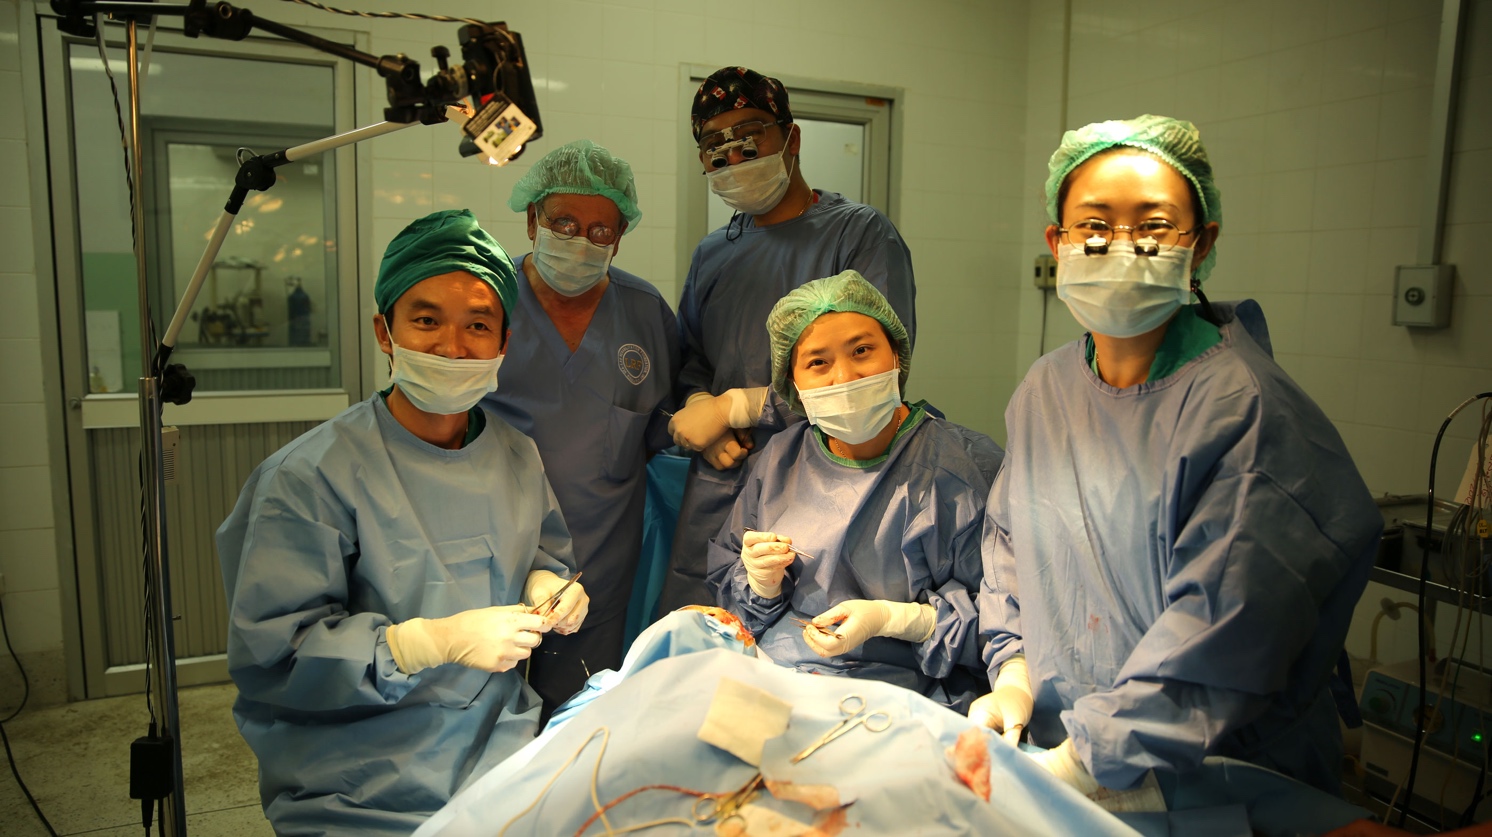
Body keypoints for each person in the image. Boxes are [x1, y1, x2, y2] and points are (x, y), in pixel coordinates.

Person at [974, 115, 1381, 797]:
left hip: (1212, 786)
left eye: (1154, 226)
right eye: (1096, 225)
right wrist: (1012, 669)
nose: (1122, 246)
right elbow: (1010, 545)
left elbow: (1226, 634)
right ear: (1058, 241)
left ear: (1201, 244)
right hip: (1063, 745)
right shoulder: (1046, 387)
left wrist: (1079, 764)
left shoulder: (1247, 410)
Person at [216, 209, 590, 836]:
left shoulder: (515, 454)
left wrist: (545, 586)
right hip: (358, 776)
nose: (451, 346)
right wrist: (425, 644)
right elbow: (274, 656)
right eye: (425, 320)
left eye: (478, 324)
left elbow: (540, 553)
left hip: (498, 745)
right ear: (383, 332)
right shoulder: (311, 476)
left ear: (503, 343)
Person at [660, 66, 918, 612]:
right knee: (702, 639)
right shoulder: (714, 254)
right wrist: (704, 412)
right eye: (714, 147)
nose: (735, 157)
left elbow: (878, 372)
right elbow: (694, 359)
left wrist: (740, 407)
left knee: (803, 641)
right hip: (720, 482)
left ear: (791, 138)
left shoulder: (859, 234)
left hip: (821, 479)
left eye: (751, 135)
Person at [707, 272, 1001, 707]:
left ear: (897, 356)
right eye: (817, 362)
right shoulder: (781, 460)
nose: (843, 377)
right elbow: (736, 609)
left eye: (862, 351)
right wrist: (762, 585)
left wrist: (901, 620)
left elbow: (1009, 622)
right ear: (793, 384)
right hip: (779, 678)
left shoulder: (963, 467)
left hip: (909, 694)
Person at [485, 139, 679, 712]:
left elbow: (665, 427)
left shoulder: (643, 312)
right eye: (563, 222)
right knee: (483, 724)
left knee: (579, 724)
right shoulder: (489, 300)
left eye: (600, 231)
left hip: (600, 567)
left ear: (619, 238)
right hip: (492, 557)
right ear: (530, 221)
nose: (580, 241)